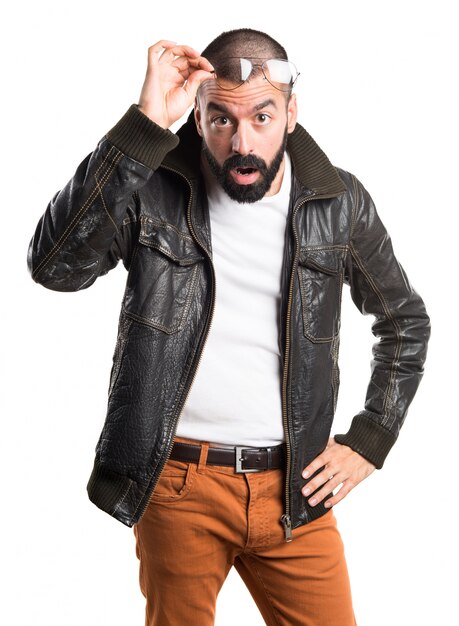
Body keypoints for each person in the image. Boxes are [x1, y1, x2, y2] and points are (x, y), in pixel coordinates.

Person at [27, 28, 430, 626]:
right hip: (179, 486)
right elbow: (56, 267)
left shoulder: (340, 202)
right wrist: (142, 127)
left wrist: (371, 440)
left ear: (292, 113)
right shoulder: (154, 186)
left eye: (262, 117)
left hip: (297, 489)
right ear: (197, 115)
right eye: (220, 119)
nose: (242, 142)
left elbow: (403, 322)